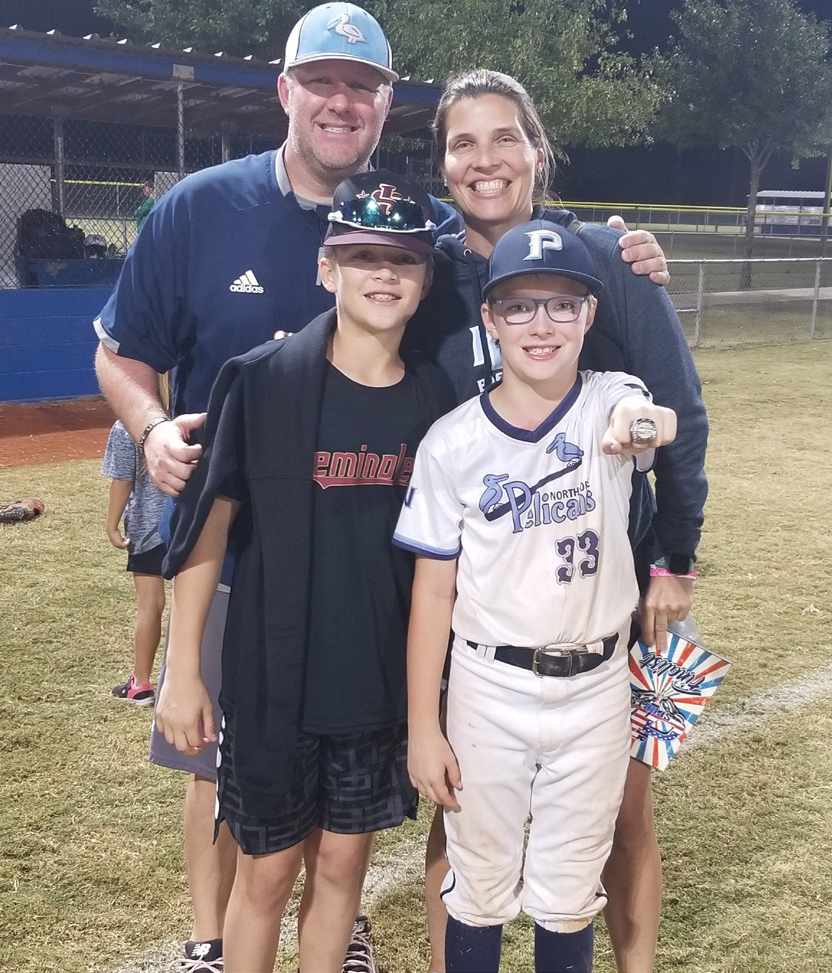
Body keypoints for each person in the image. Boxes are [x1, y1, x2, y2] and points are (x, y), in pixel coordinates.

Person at [93, 4, 666, 965]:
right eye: (320, 80)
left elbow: (511, 246)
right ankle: (208, 940)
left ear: (383, 103)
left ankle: (340, 938)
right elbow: (123, 359)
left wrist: (607, 248)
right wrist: (149, 434)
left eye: (361, 86)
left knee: (344, 859)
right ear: (284, 90)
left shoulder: (429, 315)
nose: (339, 100)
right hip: (253, 578)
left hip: (371, 622)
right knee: (239, 812)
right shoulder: (207, 224)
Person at [405, 68, 708, 973]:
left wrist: (673, 562)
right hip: (479, 591)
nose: (486, 159)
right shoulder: (427, 269)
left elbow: (672, 419)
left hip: (607, 593)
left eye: (507, 138)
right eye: (464, 142)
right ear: (443, 162)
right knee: (461, 815)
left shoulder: (608, 262)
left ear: (538, 151)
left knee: (620, 812)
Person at [157, 170, 455, 973]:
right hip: (273, 681)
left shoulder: (434, 400)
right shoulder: (262, 381)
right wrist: (182, 672)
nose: (382, 273)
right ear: (327, 268)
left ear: (426, 280)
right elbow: (204, 535)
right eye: (361, 256)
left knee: (340, 870)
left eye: (402, 259)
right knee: (265, 873)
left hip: (372, 684)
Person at [101, 412, 169, 706]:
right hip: (194, 524)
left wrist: (111, 524)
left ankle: (140, 683)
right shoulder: (191, 412)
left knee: (150, 604)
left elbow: (122, 479)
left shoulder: (128, 424)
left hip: (149, 525)